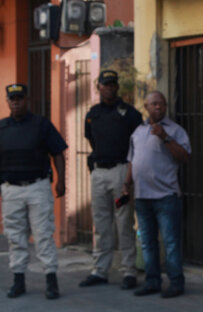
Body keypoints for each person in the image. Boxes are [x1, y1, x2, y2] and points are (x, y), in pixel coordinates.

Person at [0, 84, 67, 299]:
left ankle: (51, 281)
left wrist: (61, 181)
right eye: (13, 99)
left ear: (26, 100)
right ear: (7, 101)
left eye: (20, 98)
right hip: (11, 189)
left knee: (44, 235)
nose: (16, 102)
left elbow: (58, 152)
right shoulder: (1, 128)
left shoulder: (41, 125)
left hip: (37, 187)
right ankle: (18, 281)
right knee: (15, 237)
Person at [123, 91, 191, 298]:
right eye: (154, 104)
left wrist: (165, 137)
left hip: (166, 196)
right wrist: (127, 184)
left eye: (161, 104)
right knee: (148, 243)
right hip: (143, 197)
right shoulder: (137, 132)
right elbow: (132, 161)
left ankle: (176, 283)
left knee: (170, 242)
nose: (158, 108)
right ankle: (152, 281)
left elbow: (184, 157)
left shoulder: (176, 130)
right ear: (146, 107)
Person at [80, 70, 143, 289]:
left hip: (120, 171)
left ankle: (128, 271)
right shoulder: (92, 114)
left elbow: (139, 144)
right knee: (101, 223)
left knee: (124, 222)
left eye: (112, 84)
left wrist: (128, 176)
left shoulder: (130, 113)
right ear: (99, 87)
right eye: (105, 84)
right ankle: (100, 270)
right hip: (99, 172)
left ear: (117, 87)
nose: (109, 88)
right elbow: (91, 139)